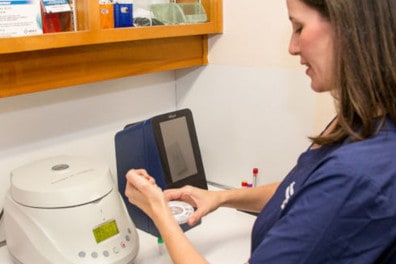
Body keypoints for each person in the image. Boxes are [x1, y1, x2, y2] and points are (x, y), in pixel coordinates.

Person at [124, 0, 396, 263]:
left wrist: (157, 211)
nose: (292, 47)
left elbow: (333, 192)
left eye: (299, 27)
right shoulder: (362, 121)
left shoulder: (357, 172)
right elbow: (303, 192)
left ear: (349, 27)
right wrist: (222, 197)